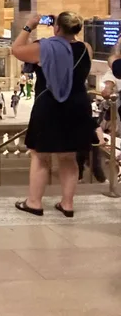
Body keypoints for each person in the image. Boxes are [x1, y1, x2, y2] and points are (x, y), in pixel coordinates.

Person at [12, 13, 96, 218]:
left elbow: (16, 50)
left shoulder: (44, 48)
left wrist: (29, 26)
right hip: (77, 105)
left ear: (57, 28)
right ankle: (67, 204)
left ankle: (34, 202)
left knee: (40, 156)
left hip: (50, 105)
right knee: (68, 157)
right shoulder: (86, 48)